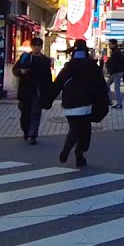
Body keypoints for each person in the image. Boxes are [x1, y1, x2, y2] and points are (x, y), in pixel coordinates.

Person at [47, 39, 109, 168]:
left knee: (75, 127)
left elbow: (57, 85)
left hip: (69, 104)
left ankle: (73, 152)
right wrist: (104, 101)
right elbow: (101, 86)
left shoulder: (68, 67)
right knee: (83, 130)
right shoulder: (93, 67)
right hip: (86, 103)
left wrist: (47, 101)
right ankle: (75, 152)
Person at [13, 38, 53, 145]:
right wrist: (21, 71)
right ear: (31, 46)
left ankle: (33, 134)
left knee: (36, 112)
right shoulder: (25, 57)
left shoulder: (45, 60)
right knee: (25, 112)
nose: (37, 47)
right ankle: (26, 130)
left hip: (38, 91)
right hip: (25, 90)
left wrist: (50, 92)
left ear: (41, 47)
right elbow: (15, 70)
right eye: (35, 45)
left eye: (39, 45)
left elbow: (48, 77)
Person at [106, 40, 124, 109]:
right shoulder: (116, 52)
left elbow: (114, 64)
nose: (109, 46)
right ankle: (109, 100)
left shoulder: (116, 53)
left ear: (114, 44)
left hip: (116, 72)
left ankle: (119, 103)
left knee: (116, 88)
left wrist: (111, 71)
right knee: (107, 86)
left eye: (110, 44)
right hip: (115, 72)